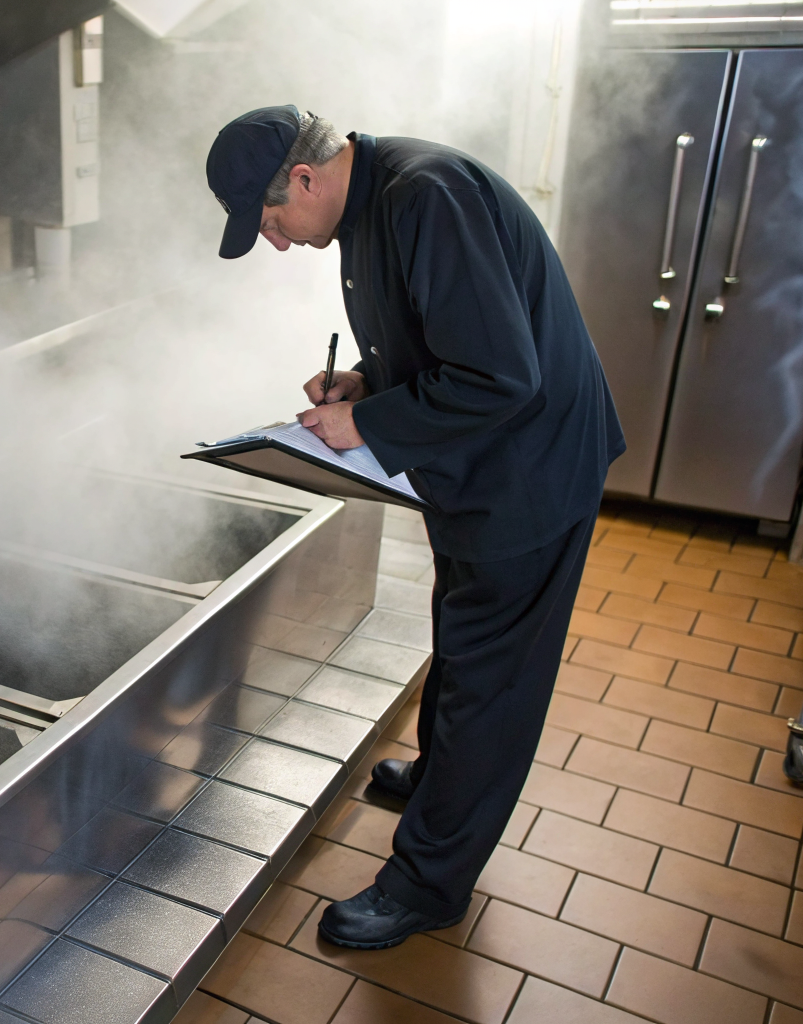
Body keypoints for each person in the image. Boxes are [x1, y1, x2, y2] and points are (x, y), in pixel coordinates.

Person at [205, 106, 624, 949]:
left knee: (490, 684)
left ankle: (428, 883)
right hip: (478, 471)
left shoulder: (427, 196)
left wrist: (369, 428)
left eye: (272, 220)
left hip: (528, 474)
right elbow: (440, 336)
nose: (278, 242)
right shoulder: (370, 205)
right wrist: (366, 384)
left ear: (307, 179)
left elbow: (501, 376)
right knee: (461, 639)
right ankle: (442, 780)